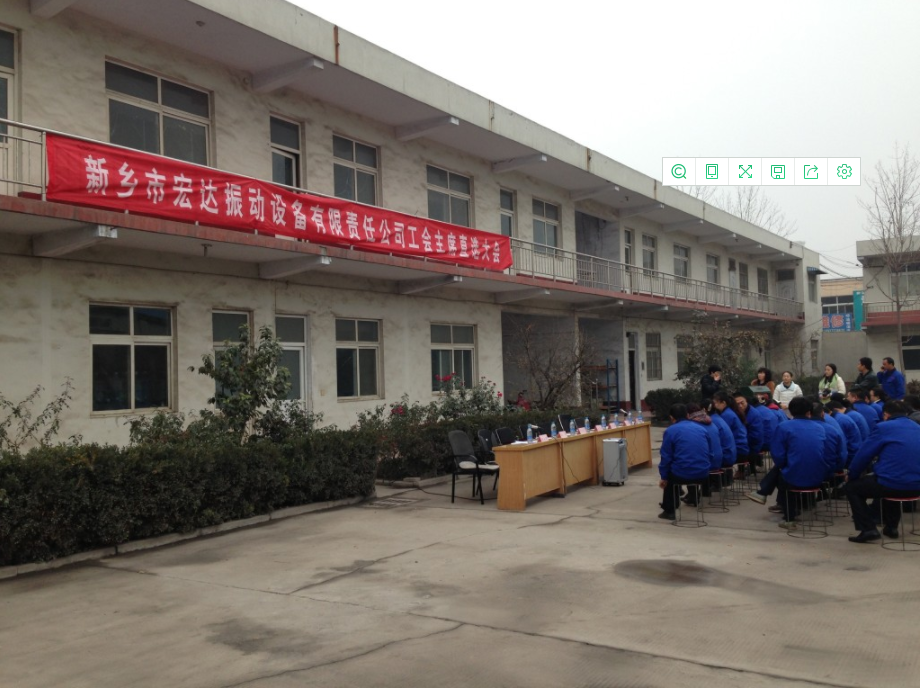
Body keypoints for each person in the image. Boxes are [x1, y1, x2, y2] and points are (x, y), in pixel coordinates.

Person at [845, 400, 921, 543]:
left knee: (852, 488)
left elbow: (864, 455)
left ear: (885, 414)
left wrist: (852, 474)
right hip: (917, 486)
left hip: (892, 484)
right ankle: (891, 527)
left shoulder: (883, 427)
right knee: (889, 479)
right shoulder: (917, 427)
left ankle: (868, 528)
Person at [754, 397, 835, 529]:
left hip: (793, 478)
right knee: (790, 469)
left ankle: (789, 518)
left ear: (790, 412)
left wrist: (785, 465)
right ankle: (763, 492)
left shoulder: (784, 427)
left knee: (783, 475)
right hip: (820, 477)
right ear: (809, 412)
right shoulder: (819, 428)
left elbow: (778, 454)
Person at [657, 404, 713, 520]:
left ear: (671, 418)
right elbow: (710, 452)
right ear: (688, 415)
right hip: (704, 474)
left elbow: (666, 457)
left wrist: (664, 477)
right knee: (684, 465)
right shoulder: (701, 429)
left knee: (671, 475)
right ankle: (692, 497)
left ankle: (669, 511)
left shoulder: (671, 431)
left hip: (682, 474)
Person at [685, 403, 722, 505]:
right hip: (718, 460)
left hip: (708, 463)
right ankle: (704, 491)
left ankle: (693, 497)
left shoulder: (693, 426)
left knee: (687, 463)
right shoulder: (710, 421)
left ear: (687, 414)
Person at [712, 391, 748, 477]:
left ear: (723, 403)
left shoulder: (726, 415)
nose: (714, 405)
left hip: (738, 449)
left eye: (716, 403)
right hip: (742, 447)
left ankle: (723, 479)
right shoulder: (729, 412)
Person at [826, 399, 862, 467]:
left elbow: (842, 442)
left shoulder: (839, 420)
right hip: (857, 451)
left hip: (852, 455)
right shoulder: (842, 417)